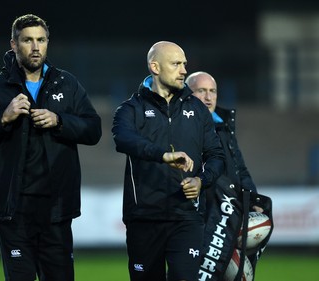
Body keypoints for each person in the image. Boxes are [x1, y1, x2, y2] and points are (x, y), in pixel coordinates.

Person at [0, 14, 102, 281]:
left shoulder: (66, 84)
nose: (36, 47)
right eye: (28, 40)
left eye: (41, 40)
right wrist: (2, 117)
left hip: (56, 208)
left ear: (48, 43)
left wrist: (60, 121)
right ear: (14, 44)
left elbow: (93, 129)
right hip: (14, 209)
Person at [111, 41, 225, 281]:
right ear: (155, 66)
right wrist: (163, 155)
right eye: (176, 64)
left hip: (186, 217)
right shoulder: (131, 109)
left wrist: (201, 181)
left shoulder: (198, 110)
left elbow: (216, 156)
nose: (184, 70)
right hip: (143, 218)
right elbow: (123, 139)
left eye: (184, 64)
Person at [185, 71, 272, 281]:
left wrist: (253, 200)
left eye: (212, 91)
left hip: (229, 213)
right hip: (201, 218)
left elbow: (240, 169)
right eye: (201, 91)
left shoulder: (224, 127)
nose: (208, 97)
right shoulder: (181, 128)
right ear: (188, 96)